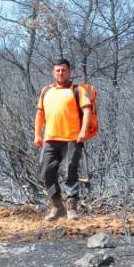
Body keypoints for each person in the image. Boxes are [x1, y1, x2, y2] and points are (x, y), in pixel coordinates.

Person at [33, 59, 92, 221]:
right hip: (50, 139)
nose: (61, 73)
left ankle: (72, 208)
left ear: (70, 72)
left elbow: (87, 111)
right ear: (53, 72)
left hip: (72, 138)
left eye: (64, 70)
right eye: (58, 70)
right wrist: (37, 134)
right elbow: (40, 114)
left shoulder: (77, 90)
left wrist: (83, 131)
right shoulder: (46, 91)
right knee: (46, 172)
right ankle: (57, 207)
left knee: (70, 170)